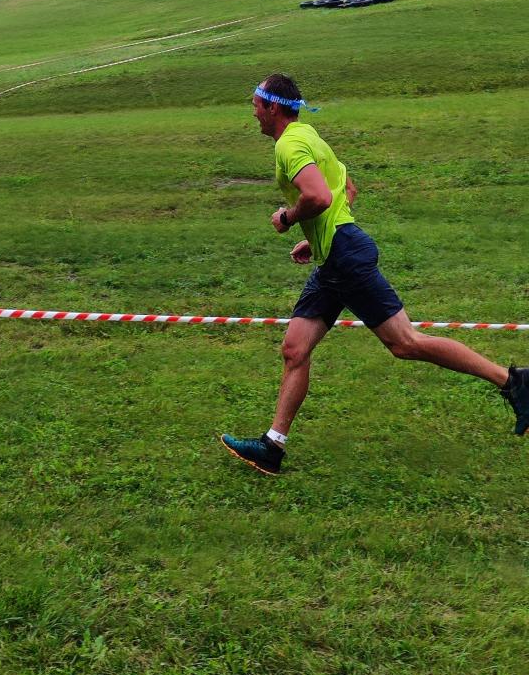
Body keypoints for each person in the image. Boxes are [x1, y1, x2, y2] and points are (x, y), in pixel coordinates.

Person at [220, 74, 529, 476]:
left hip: (344, 258)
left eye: (256, 105)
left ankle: (513, 382)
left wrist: (288, 217)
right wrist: (316, 239)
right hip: (334, 256)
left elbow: (319, 196)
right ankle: (272, 446)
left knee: (405, 343)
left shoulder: (289, 144)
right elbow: (347, 189)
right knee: (295, 349)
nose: (253, 113)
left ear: (272, 107)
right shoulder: (309, 136)